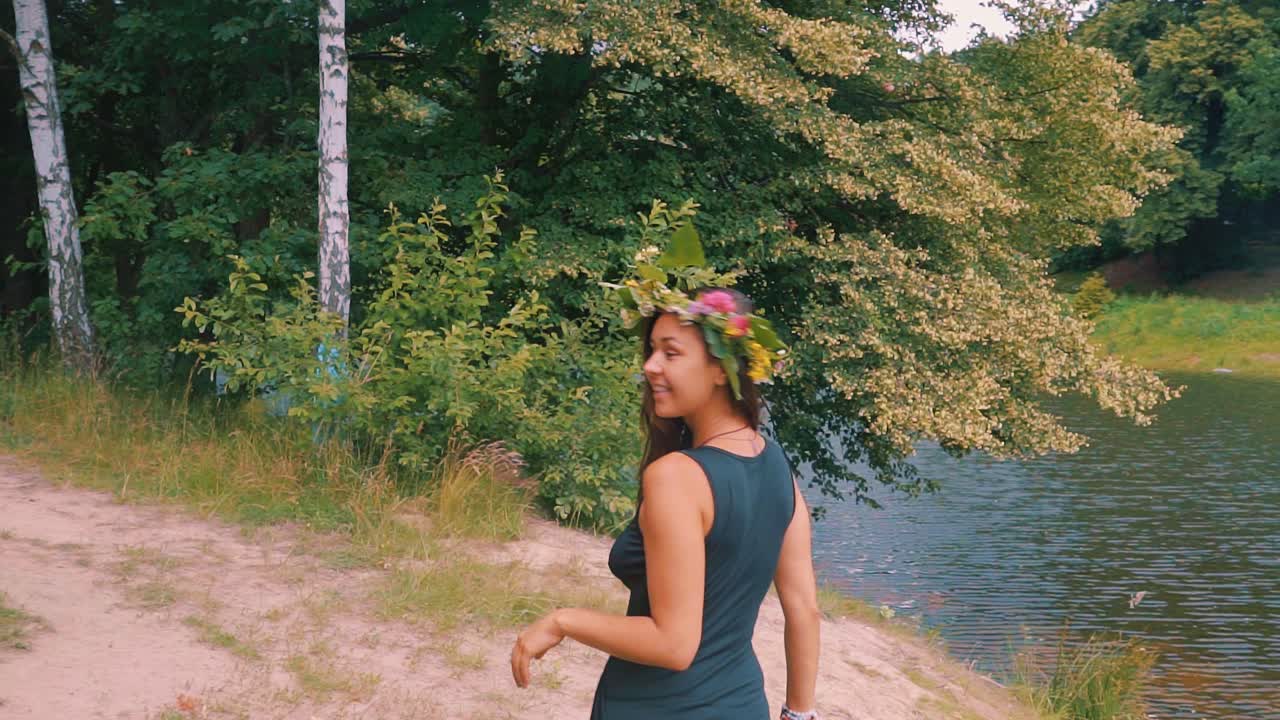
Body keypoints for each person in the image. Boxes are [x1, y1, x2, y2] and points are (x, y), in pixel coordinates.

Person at [510, 232, 822, 720]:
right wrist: (800, 714)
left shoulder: (678, 477)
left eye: (672, 353)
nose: (651, 366)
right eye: (652, 350)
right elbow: (803, 608)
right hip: (743, 705)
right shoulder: (778, 465)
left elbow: (674, 644)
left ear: (722, 370)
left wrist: (561, 620)